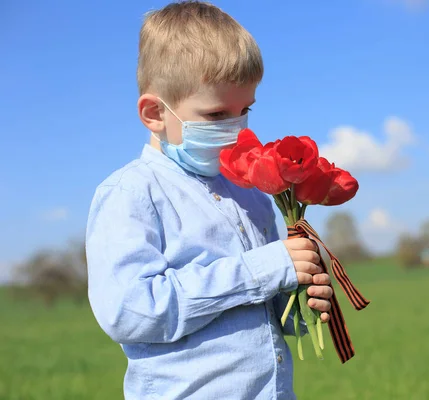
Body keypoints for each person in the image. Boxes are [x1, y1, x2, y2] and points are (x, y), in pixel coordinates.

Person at [85, 2, 333, 399]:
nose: (237, 130)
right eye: (217, 114)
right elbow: (130, 311)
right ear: (154, 113)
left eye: (244, 111)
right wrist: (262, 269)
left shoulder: (250, 190)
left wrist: (298, 293)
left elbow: (264, 305)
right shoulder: (131, 194)